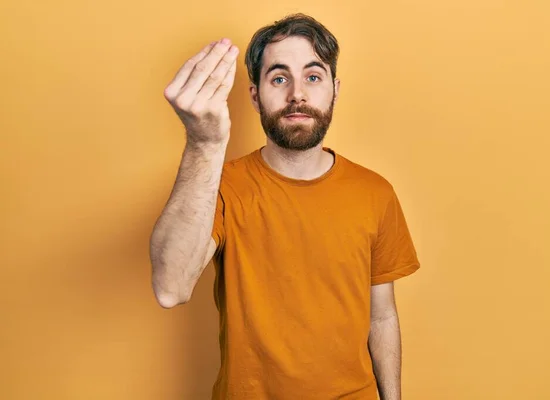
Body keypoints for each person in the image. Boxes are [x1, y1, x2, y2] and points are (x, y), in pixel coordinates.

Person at [150, 13, 421, 400]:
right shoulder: (216, 186)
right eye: (279, 78)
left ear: (335, 90)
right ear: (255, 95)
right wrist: (203, 144)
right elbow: (170, 288)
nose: (297, 93)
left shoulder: (375, 193)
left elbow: (382, 316)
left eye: (313, 76)